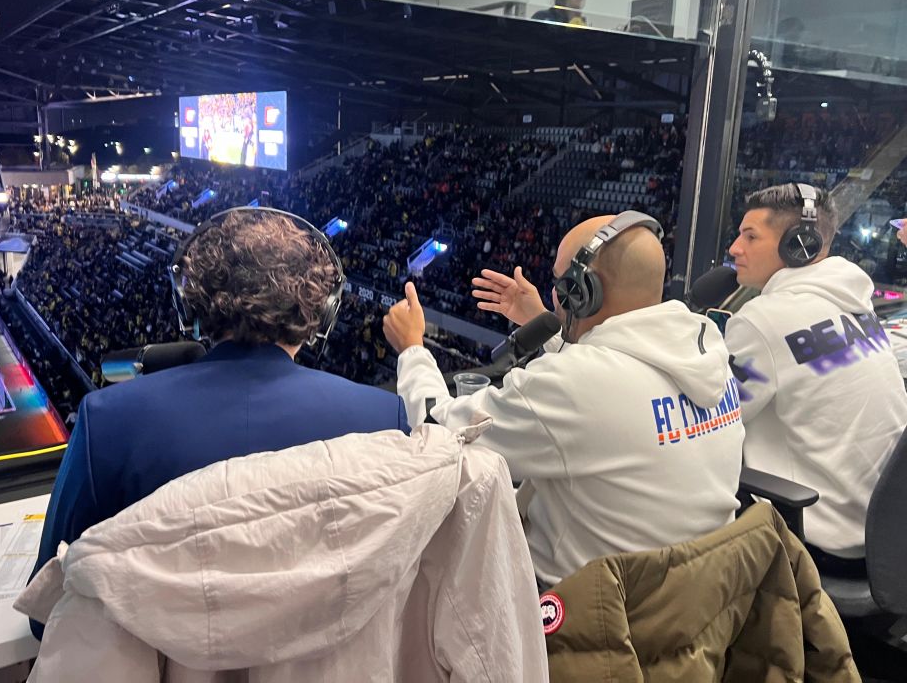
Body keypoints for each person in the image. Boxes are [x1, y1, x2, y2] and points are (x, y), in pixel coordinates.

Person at [31, 208, 409, 637]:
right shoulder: (384, 418)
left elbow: (46, 611)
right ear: (322, 312)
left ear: (191, 303)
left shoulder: (106, 420)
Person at [384, 212, 744, 588]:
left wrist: (412, 349)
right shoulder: (708, 352)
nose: (557, 295)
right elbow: (612, 373)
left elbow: (436, 429)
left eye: (561, 283)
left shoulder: (576, 383)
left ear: (583, 293)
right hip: (691, 597)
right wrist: (540, 318)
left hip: (584, 606)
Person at [726, 183, 907, 572]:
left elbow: (715, 423)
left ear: (798, 245)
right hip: (887, 535)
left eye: (750, 236)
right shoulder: (857, 306)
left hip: (820, 540)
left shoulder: (762, 321)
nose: (734, 248)